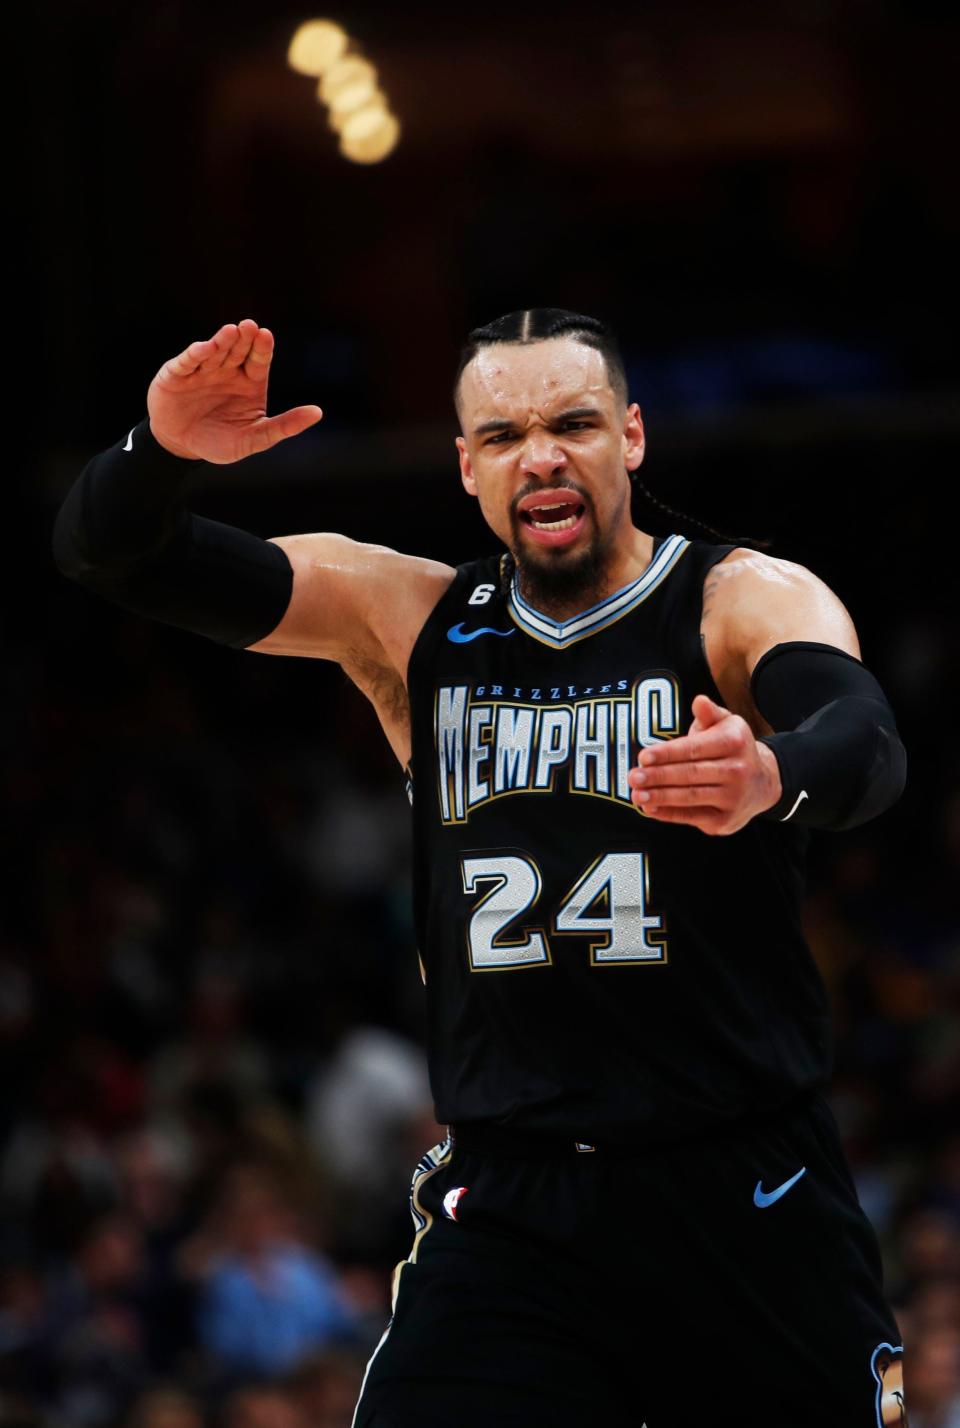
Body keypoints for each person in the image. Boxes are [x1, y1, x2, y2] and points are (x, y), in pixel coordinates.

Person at [53, 309, 910, 1427]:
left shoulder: (736, 599)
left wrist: (772, 772)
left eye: (573, 423)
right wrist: (157, 453)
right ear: (466, 466)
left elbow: (867, 744)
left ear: (633, 439)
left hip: (742, 1183)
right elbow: (109, 553)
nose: (541, 455)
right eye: (502, 436)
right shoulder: (407, 616)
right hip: (514, 1203)